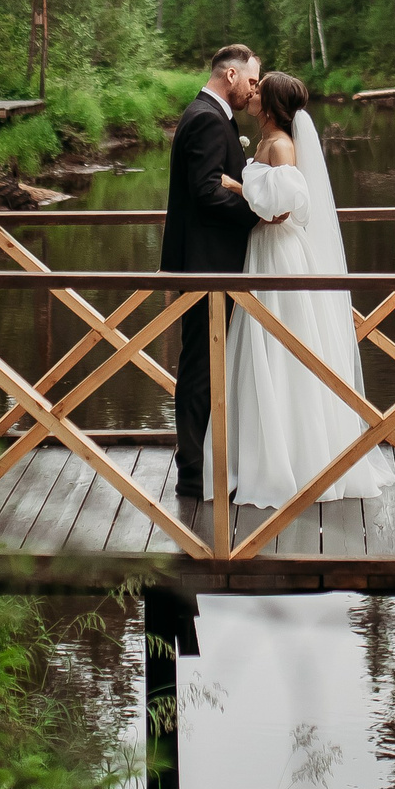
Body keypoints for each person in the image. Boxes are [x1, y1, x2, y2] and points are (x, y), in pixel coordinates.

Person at [217, 71, 387, 506]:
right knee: (263, 346)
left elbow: (280, 208)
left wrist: (238, 186)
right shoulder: (264, 142)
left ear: (270, 105)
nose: (250, 94)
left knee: (284, 344)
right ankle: (263, 450)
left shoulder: (281, 145)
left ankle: (300, 458)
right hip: (263, 250)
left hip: (279, 253)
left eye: (258, 90)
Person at [160, 44, 262, 499]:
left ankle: (206, 462)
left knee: (206, 364)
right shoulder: (205, 117)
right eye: (252, 80)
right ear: (231, 74)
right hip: (205, 267)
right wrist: (258, 210)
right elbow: (205, 192)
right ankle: (192, 473)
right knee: (200, 368)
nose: (253, 90)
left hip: (212, 265)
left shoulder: (212, 114)